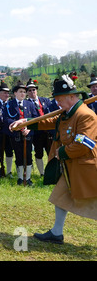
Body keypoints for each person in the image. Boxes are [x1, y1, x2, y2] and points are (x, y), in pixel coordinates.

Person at [10, 75, 97, 244]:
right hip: (73, 166)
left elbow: (83, 145)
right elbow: (50, 121)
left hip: (87, 168)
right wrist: (26, 122)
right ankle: (57, 233)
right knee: (60, 196)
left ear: (71, 97)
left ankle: (56, 233)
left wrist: (61, 152)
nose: (57, 103)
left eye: (59, 99)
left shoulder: (85, 115)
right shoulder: (68, 113)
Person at [3, 81, 38, 186]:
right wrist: (16, 126)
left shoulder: (30, 104)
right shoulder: (9, 104)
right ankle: (19, 178)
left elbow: (36, 118)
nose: (23, 94)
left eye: (24, 92)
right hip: (15, 134)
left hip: (28, 134)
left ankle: (27, 178)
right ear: (15, 93)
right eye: (20, 92)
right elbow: (6, 118)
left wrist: (29, 128)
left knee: (28, 155)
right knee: (18, 155)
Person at [26, 78, 53, 176]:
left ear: (36, 90)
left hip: (49, 131)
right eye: (29, 90)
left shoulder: (45, 100)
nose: (32, 92)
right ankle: (42, 173)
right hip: (37, 132)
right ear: (27, 92)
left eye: (34, 89)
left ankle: (51, 172)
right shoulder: (27, 104)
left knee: (51, 152)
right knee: (38, 153)